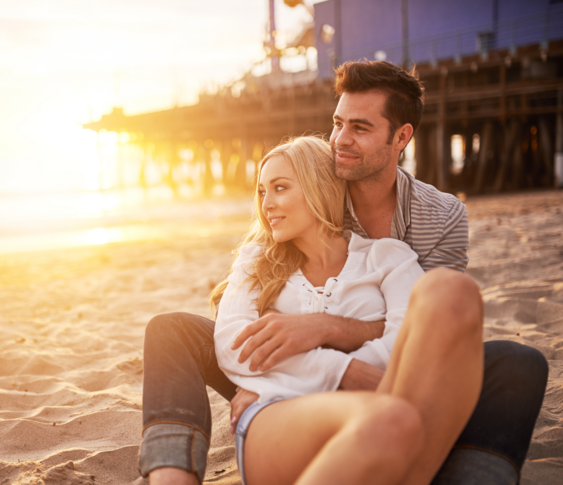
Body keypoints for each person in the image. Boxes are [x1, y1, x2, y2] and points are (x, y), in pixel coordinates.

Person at [139, 60, 548, 485]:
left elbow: (426, 332)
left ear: (401, 136)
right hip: (288, 372)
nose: (340, 140)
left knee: (519, 362)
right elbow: (241, 318)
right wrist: (280, 374)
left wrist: (322, 328)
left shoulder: (436, 221)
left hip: (385, 376)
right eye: (337, 124)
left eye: (360, 128)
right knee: (174, 330)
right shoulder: (303, 201)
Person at [213, 134, 481, 484]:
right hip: (279, 413)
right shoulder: (256, 262)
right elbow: (234, 345)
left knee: (453, 290)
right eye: (262, 192)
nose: (267, 205)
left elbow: (407, 343)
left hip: (384, 404)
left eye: (280, 188)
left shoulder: (387, 257)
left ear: (318, 187)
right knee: (391, 419)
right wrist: (342, 370)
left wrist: (302, 356)